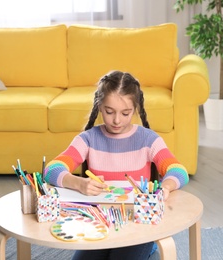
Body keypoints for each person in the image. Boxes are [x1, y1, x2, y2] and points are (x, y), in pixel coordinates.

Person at [44, 70, 189, 260]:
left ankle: (150, 249)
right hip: (99, 223)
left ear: (136, 109)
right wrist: (79, 183)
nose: (117, 120)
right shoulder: (88, 139)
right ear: (99, 107)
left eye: (125, 113)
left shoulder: (148, 139)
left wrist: (165, 187)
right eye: (109, 111)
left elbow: (179, 171)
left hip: (138, 224)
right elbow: (51, 169)